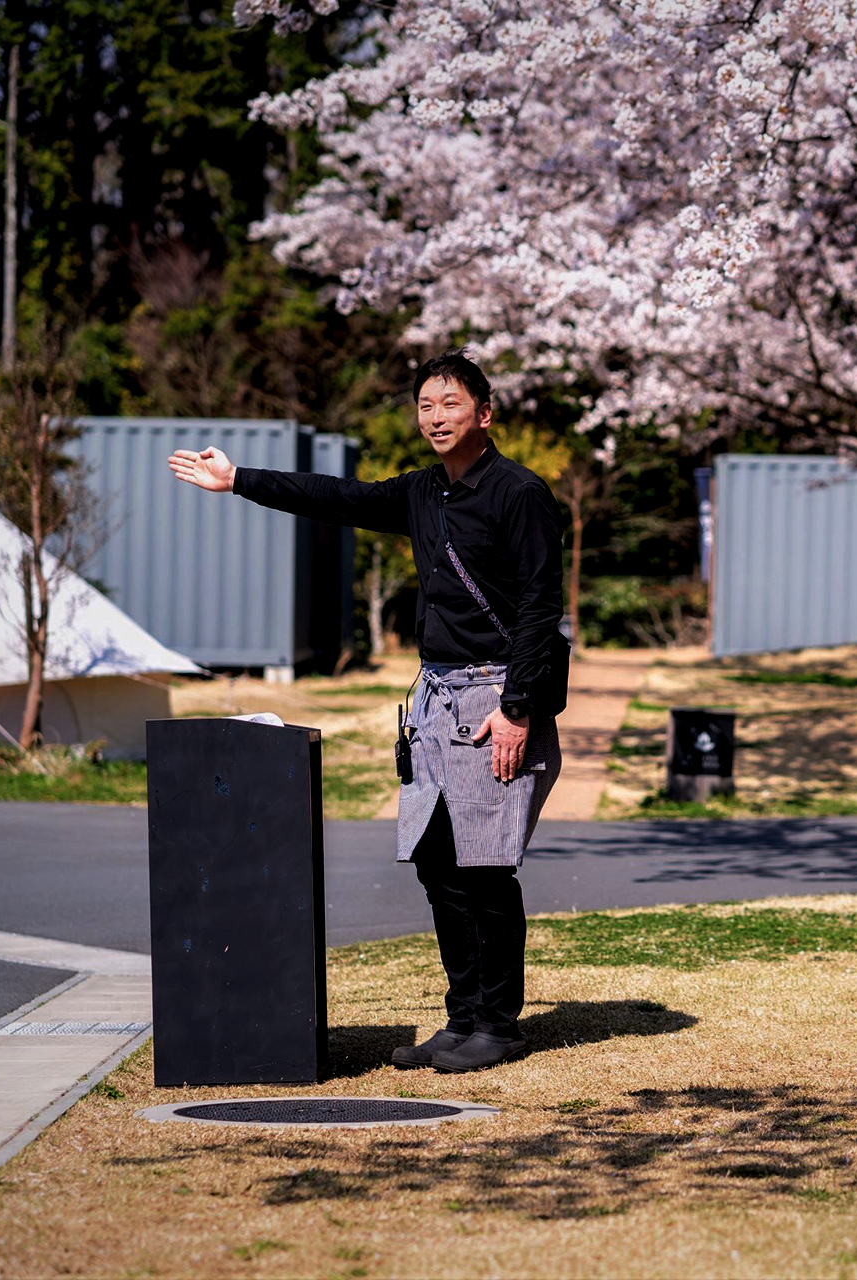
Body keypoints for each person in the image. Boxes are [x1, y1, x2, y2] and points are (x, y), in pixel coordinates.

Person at [166, 350, 565, 1073]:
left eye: (449, 403)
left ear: (485, 411)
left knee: (484, 868)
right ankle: (463, 1018)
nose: (435, 417)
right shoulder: (422, 492)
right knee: (437, 865)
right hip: (436, 696)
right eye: (425, 405)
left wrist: (517, 711)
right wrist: (239, 481)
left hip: (494, 695)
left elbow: (542, 605)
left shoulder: (519, 493)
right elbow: (336, 497)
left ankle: (500, 1025)